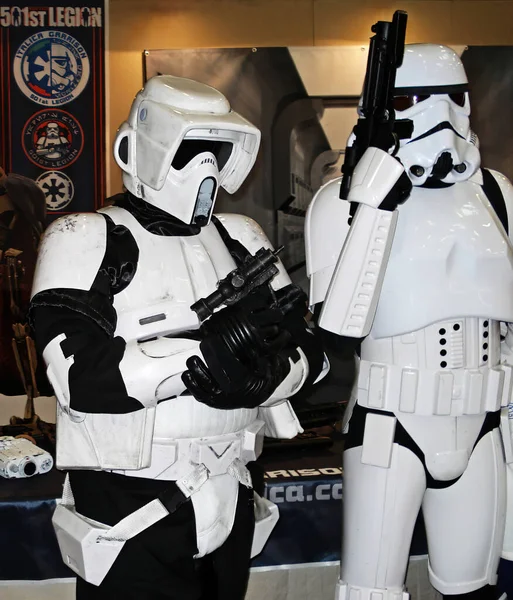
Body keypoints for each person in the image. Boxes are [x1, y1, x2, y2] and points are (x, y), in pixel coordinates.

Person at [30, 75, 326, 600]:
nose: (206, 168)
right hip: (129, 497)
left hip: (231, 482)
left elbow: (312, 356)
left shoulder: (241, 238)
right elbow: (77, 376)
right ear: (136, 149)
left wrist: (260, 377)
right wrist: (199, 359)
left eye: (218, 150)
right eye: (192, 149)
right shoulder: (87, 238)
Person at [306, 43, 513, 600]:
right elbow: (336, 331)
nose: (441, 114)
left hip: (484, 421)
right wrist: (372, 206)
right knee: (370, 591)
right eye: (417, 98)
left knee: (473, 589)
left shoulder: (497, 194)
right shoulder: (340, 202)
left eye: (455, 98)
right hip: (388, 423)